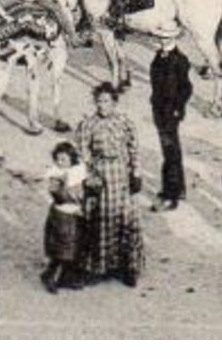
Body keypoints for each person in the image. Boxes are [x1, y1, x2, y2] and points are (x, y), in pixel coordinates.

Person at [76, 81, 144, 286]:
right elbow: (82, 152)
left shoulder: (125, 122)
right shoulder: (88, 124)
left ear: (114, 102)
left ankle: (127, 268)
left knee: (126, 221)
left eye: (106, 101)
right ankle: (99, 267)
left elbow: (134, 149)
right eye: (99, 101)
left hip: (121, 175)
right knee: (100, 221)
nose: (102, 105)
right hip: (100, 176)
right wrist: (89, 176)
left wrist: (137, 172)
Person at [147, 24, 192, 210]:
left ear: (174, 38)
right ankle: (179, 188)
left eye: (166, 38)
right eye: (161, 37)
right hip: (159, 110)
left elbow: (186, 88)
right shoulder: (159, 56)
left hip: (169, 112)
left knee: (169, 152)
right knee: (172, 150)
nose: (163, 40)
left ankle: (170, 194)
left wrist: (177, 107)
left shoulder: (180, 60)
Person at [42, 141, 87, 292]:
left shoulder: (77, 172)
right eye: (58, 159)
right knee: (61, 249)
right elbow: (59, 196)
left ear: (71, 160)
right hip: (62, 215)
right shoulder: (57, 176)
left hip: (73, 216)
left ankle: (65, 278)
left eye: (64, 160)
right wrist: (75, 194)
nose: (60, 163)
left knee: (72, 247)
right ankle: (50, 276)